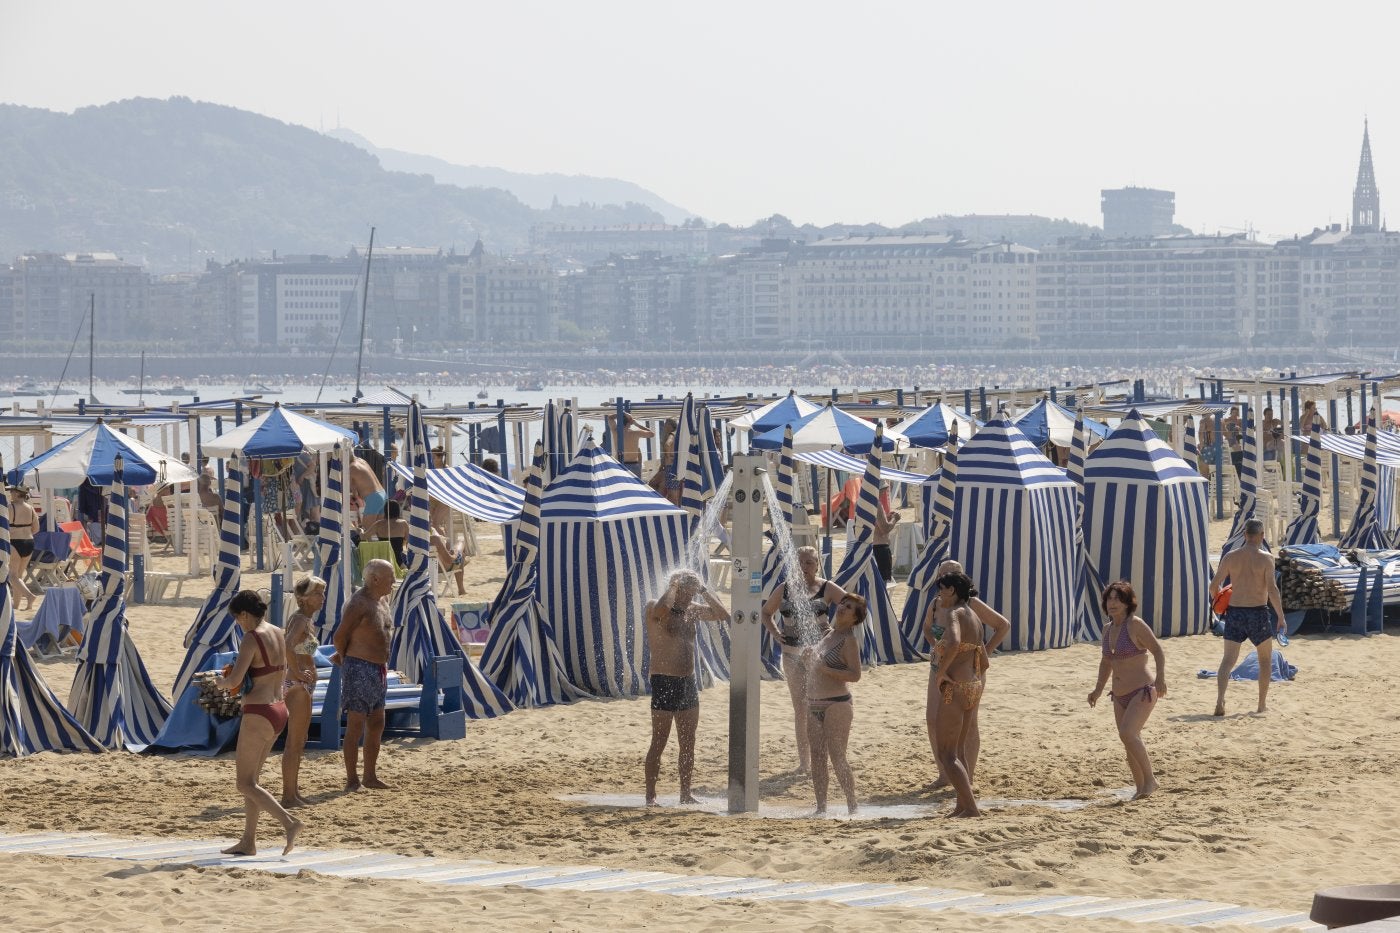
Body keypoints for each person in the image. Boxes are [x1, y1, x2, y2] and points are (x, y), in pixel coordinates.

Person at [214, 590, 301, 855]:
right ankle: (248, 841)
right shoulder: (278, 631)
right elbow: (286, 668)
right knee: (252, 782)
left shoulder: (252, 638)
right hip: (278, 709)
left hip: (259, 712)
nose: (238, 624)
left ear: (244, 615)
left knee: (244, 783)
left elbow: (234, 680)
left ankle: (289, 823)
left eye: (238, 619)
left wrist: (220, 681)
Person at [643, 570, 729, 806]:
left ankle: (685, 792)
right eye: (684, 593)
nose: (686, 599)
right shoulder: (655, 606)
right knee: (659, 741)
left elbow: (722, 614)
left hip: (687, 682)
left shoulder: (691, 610)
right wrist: (673, 586)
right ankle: (651, 795)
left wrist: (703, 590)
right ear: (675, 588)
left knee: (688, 742)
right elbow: (662, 610)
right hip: (663, 680)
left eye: (690, 594)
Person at [922, 560, 1008, 791]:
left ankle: (967, 776)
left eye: (952, 574)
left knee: (968, 724)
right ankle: (944, 773)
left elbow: (1002, 625)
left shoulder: (969, 605)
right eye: (943, 574)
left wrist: (982, 653)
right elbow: (927, 628)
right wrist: (934, 645)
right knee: (932, 718)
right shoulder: (935, 604)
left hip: (967, 669)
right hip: (939, 667)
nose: (946, 578)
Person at [760, 546, 845, 773]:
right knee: (801, 708)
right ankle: (804, 763)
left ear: (817, 565)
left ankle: (823, 758)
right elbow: (765, 613)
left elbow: (853, 605)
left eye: (809, 563)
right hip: (792, 656)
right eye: (800, 562)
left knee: (822, 706)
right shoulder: (785, 588)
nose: (804, 567)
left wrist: (835, 633)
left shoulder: (826, 587)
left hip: (820, 657)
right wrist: (776, 633)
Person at [1087, 580, 1168, 800]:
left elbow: (1158, 650)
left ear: (1127, 602)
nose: (1112, 603)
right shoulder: (1107, 629)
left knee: (1128, 733)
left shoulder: (1135, 624)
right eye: (1109, 599)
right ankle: (1141, 788)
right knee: (1128, 741)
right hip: (1119, 694)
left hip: (1143, 690)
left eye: (1117, 599)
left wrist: (1161, 677)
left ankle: (1151, 779)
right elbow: (1106, 663)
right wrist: (1097, 690)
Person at [1208, 518, 1285, 716]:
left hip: (1234, 612)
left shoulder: (1231, 557)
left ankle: (1219, 701)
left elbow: (1213, 585)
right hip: (1257, 612)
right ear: (1262, 536)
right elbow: (1272, 589)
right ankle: (1261, 705)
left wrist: (1218, 602)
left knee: (1228, 660)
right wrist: (1281, 617)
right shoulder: (1267, 558)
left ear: (1245, 535)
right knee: (1265, 660)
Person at [931, 570, 991, 818]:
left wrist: (941, 673)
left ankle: (971, 808)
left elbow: (954, 642)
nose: (940, 595)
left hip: (955, 688)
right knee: (960, 752)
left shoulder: (955, 613)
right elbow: (985, 660)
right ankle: (962, 805)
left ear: (952, 591)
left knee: (947, 753)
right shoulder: (974, 617)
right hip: (973, 685)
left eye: (942, 590)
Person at [333, 559, 395, 791]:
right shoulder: (358, 603)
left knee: (377, 722)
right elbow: (340, 636)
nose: (393, 582)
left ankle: (370, 775)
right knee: (356, 724)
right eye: (390, 578)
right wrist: (345, 658)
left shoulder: (382, 601)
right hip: (359, 667)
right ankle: (352, 779)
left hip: (378, 669)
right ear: (375, 579)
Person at [804, 593, 866, 815]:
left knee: (837, 755)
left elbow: (855, 675)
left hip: (837, 703)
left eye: (849, 608)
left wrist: (823, 668)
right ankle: (821, 807)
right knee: (817, 757)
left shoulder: (849, 640)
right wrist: (808, 659)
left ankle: (853, 806)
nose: (842, 608)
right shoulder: (828, 635)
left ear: (855, 619)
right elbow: (816, 665)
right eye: (843, 603)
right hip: (814, 703)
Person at [281, 575, 324, 808]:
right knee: (294, 742)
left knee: (300, 740)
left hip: (302, 684)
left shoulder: (306, 620)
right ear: (304, 599)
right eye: (317, 593)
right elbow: (287, 645)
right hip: (297, 685)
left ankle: (293, 792)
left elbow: (297, 648)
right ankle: (288, 795)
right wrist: (297, 671)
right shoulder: (299, 620)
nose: (322, 598)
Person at [6, 485, 38, 612]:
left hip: (14, 542)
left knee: (12, 576)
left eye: (12, 491)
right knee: (19, 576)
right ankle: (16, 605)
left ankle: (30, 596)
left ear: (17, 493)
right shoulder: (31, 508)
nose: (11, 493)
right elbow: (36, 529)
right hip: (29, 542)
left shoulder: (9, 507)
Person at [361, 500, 407, 568]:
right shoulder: (403, 524)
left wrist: (360, 531)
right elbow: (408, 541)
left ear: (385, 511)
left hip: (383, 562)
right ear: (398, 510)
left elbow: (363, 537)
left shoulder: (379, 524)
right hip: (399, 562)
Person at [610, 411, 655, 477]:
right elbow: (652, 434)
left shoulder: (616, 432)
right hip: (633, 465)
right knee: (635, 487)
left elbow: (610, 417)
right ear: (630, 423)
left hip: (620, 464)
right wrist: (636, 424)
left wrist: (623, 413)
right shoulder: (635, 433)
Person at [871, 483, 901, 582]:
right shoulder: (876, 503)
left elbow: (876, 525)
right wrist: (895, 519)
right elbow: (885, 529)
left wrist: (887, 518)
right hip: (879, 548)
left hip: (871, 547)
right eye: (883, 490)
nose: (884, 492)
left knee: (873, 584)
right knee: (881, 585)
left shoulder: (864, 502)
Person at [348, 452, 387, 518]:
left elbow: (355, 494)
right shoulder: (362, 461)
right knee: (379, 526)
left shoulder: (351, 468)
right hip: (382, 494)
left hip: (373, 498)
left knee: (367, 526)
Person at [1223, 406, 1244, 478]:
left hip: (1237, 438)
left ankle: (1238, 468)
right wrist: (1229, 423)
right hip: (1229, 438)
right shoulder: (1226, 420)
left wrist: (1239, 428)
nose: (1235, 414)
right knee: (1237, 447)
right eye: (1233, 412)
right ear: (1231, 413)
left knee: (1239, 446)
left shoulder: (1239, 421)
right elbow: (1221, 427)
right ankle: (1237, 468)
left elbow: (1244, 430)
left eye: (1236, 413)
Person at [1197, 415, 1217, 481]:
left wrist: (1201, 445)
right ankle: (1215, 489)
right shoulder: (1218, 419)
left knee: (1204, 473)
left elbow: (1200, 433)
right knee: (1215, 472)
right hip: (1218, 447)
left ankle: (1206, 489)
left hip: (1208, 446)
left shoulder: (1204, 420)